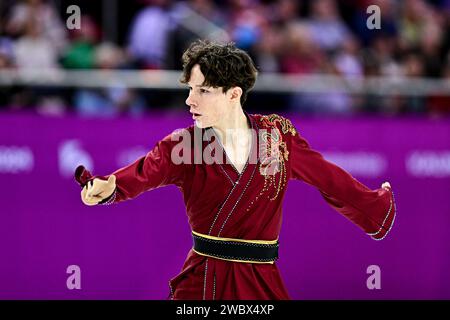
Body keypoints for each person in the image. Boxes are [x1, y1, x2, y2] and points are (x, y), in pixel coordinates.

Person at [74, 40, 396, 300]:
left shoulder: (277, 138)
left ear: (233, 94)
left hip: (261, 283)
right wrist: (109, 186)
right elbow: (144, 171)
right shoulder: (184, 145)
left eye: (202, 90)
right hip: (203, 283)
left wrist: (374, 206)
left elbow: (330, 179)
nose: (190, 100)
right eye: (190, 89)